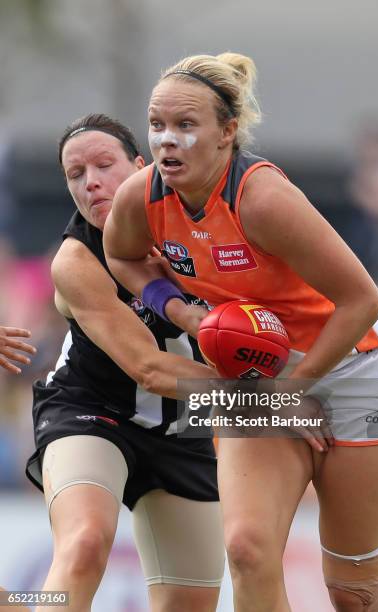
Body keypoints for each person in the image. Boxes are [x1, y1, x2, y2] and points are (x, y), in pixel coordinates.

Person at [103, 53, 378, 612]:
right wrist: (181, 313)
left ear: (227, 132)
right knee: (247, 550)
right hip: (255, 378)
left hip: (353, 369)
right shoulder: (142, 196)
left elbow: (364, 300)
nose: (166, 141)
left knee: (355, 592)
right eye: (156, 125)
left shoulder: (262, 198)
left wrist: (294, 395)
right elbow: (122, 256)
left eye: (185, 126)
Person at [25, 114, 224, 612]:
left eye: (104, 165)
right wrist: (272, 401)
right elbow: (149, 369)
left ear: (143, 167)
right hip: (90, 413)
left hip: (184, 430)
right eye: (75, 174)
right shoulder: (74, 262)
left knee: (189, 601)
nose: (90, 181)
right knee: (86, 542)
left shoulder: (205, 230)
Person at [0, 326, 35, 612]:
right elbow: (145, 368)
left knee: (188, 592)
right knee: (85, 541)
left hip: (183, 441)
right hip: (98, 423)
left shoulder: (200, 301)